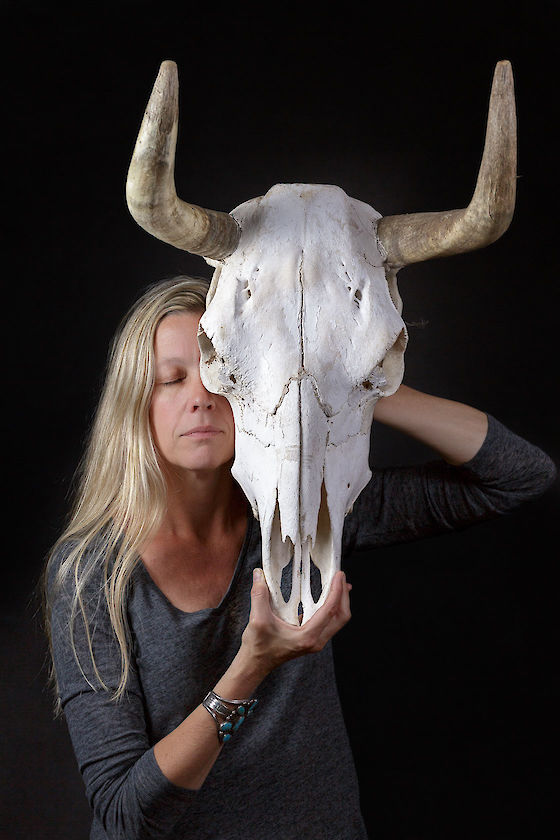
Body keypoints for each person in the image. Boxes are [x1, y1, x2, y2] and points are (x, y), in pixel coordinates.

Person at [42, 275, 556, 840]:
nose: (201, 396)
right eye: (172, 378)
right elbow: (122, 815)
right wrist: (251, 666)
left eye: (221, 374)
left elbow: (520, 475)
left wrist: (365, 385)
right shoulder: (91, 572)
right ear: (135, 401)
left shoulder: (305, 511)